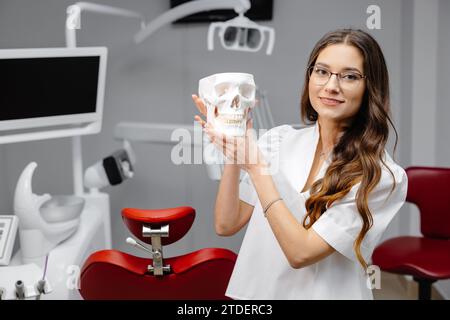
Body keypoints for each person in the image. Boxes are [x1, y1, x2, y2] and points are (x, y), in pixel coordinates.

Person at [191, 29, 408, 300]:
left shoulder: (382, 175)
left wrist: (257, 168)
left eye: (350, 76)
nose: (331, 86)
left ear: (370, 87)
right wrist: (236, 146)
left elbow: (300, 253)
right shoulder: (278, 140)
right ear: (309, 77)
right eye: (322, 72)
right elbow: (227, 223)